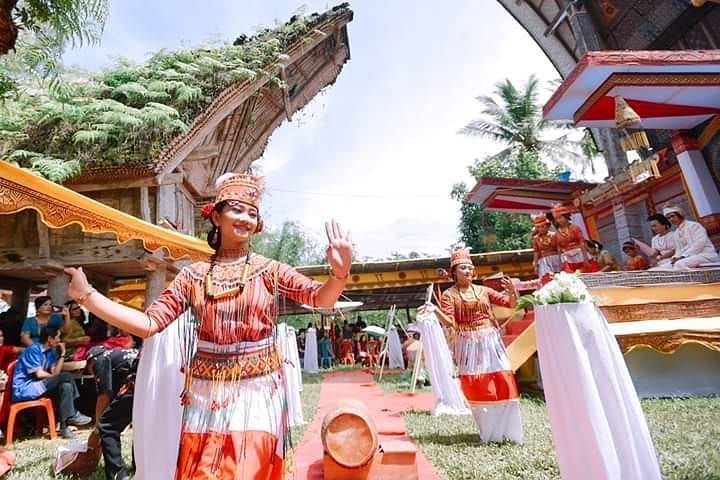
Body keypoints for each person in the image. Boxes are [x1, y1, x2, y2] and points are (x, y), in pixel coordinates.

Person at [64, 172, 352, 479]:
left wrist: (339, 274)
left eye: (252, 213)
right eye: (237, 210)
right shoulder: (194, 276)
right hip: (205, 395)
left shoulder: (268, 270)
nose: (245, 219)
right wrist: (88, 297)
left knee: (247, 469)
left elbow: (319, 298)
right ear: (216, 215)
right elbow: (150, 323)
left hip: (257, 392)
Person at [420, 247, 523, 443]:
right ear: (454, 273)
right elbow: (450, 323)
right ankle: (489, 431)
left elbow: (510, 304)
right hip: (468, 344)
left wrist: (512, 292)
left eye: (469, 268)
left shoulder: (484, 290)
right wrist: (434, 310)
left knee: (503, 377)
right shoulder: (449, 295)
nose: (467, 271)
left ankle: (509, 431)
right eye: (462, 268)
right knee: (478, 385)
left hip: (491, 341)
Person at [12, 326, 91, 438]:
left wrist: (62, 354)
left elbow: (55, 372)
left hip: (39, 386)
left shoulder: (50, 352)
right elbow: (39, 374)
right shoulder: (34, 350)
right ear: (49, 339)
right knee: (66, 376)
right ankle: (73, 414)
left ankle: (64, 428)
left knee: (66, 385)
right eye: (58, 337)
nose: (59, 341)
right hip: (26, 388)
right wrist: (55, 378)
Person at [87, 345, 139, 480]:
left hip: (136, 382)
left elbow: (104, 396)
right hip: (151, 381)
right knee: (140, 422)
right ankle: (138, 466)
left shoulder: (100, 360)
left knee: (107, 425)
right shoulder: (120, 354)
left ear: (91, 361)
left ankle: (117, 475)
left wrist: (97, 428)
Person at [551, 203, 592, 273]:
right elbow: (559, 248)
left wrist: (585, 258)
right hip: (568, 259)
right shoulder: (557, 234)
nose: (559, 220)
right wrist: (560, 261)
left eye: (560, 217)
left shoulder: (575, 228)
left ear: (566, 217)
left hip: (580, 255)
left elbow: (582, 242)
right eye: (557, 219)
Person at [530, 213, 560, 281]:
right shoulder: (536, 239)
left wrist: (562, 260)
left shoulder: (554, 235)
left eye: (543, 226)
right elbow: (536, 252)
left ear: (547, 226)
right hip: (544, 262)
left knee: (559, 277)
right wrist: (535, 263)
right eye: (539, 227)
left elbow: (559, 248)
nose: (541, 229)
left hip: (556, 259)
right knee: (547, 279)